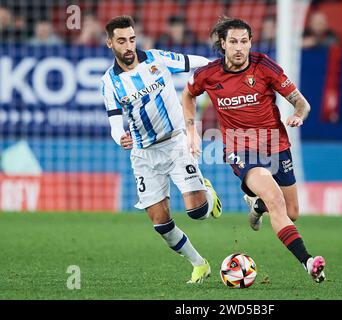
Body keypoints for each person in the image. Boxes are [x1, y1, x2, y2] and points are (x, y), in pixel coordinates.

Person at [182, 17, 326, 283]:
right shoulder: (208, 74)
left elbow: (302, 103)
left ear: (251, 43)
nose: (239, 48)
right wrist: (192, 129)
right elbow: (188, 94)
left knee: (291, 212)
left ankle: (257, 205)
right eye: (233, 42)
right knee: (275, 199)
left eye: (244, 42)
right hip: (240, 148)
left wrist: (298, 114)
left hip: (276, 145)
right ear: (222, 44)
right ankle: (308, 262)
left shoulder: (264, 67)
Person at [101, 16, 222, 284]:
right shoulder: (109, 82)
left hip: (175, 144)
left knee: (198, 213)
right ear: (110, 43)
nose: (129, 45)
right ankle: (199, 264)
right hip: (144, 155)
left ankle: (207, 191)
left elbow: (196, 62)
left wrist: (223, 65)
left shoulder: (157, 59)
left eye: (132, 39)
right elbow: (113, 124)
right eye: (122, 41)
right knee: (160, 223)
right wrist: (120, 136)